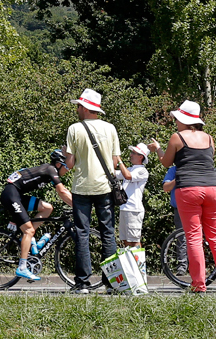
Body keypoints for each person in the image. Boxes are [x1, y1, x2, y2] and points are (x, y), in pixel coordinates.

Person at [157, 100, 216, 293]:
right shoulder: (209, 138)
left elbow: (166, 163)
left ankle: (199, 285)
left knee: (193, 236)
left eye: (177, 119)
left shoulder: (177, 137)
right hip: (213, 188)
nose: (175, 122)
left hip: (189, 189)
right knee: (215, 236)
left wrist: (157, 150)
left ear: (183, 120)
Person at [62, 88, 131, 293]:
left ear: (84, 108)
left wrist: (66, 155)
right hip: (105, 187)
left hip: (82, 187)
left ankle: (83, 283)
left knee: (82, 233)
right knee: (108, 233)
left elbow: (71, 163)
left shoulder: (74, 129)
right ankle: (111, 283)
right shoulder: (110, 128)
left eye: (78, 106)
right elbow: (115, 160)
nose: (77, 109)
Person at [2, 149, 74, 282]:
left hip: (17, 195)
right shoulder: (50, 170)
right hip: (11, 195)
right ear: (59, 164)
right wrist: (78, 206)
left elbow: (64, 192)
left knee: (47, 208)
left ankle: (32, 240)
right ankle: (22, 267)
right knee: (28, 230)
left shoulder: (49, 170)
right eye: (66, 167)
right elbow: (62, 191)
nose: (68, 170)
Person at [118, 142, 160, 249]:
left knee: (134, 242)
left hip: (134, 210)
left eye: (134, 153)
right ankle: (130, 265)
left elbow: (127, 176)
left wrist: (119, 160)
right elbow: (114, 173)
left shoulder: (142, 171)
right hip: (124, 208)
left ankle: (139, 265)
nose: (131, 155)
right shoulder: (131, 169)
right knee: (125, 241)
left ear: (141, 157)